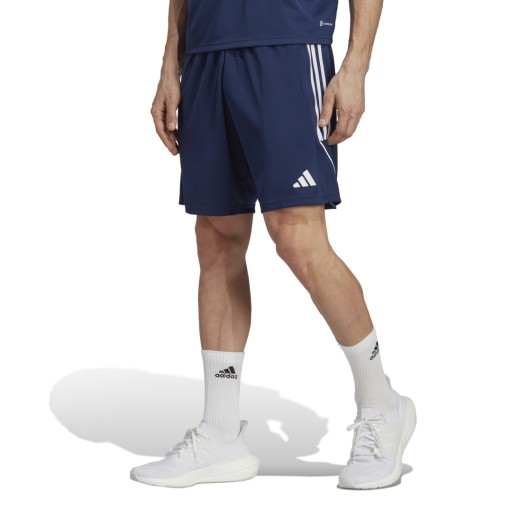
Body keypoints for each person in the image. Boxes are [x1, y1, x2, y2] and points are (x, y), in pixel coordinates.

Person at [130, 0, 416, 490]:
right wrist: (170, 64)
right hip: (206, 53)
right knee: (216, 239)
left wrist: (356, 67)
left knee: (297, 237)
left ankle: (381, 405)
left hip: (289, 46)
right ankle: (221, 432)